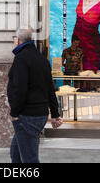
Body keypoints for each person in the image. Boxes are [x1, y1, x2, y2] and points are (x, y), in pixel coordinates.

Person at [7, 28, 63, 163]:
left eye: (14, 39)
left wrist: (14, 112)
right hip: (39, 114)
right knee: (16, 154)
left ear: (18, 40)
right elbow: (50, 88)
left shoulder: (21, 58)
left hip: (27, 116)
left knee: (29, 159)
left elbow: (20, 89)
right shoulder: (41, 59)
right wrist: (55, 114)